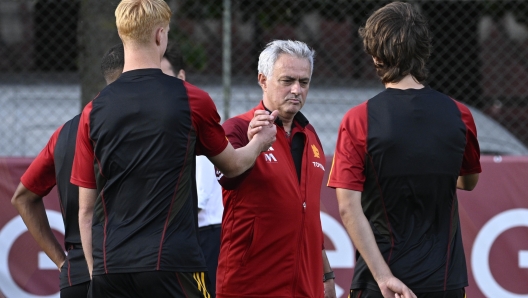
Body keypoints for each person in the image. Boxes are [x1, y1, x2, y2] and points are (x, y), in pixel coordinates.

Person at [70, 0, 277, 297]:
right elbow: (231, 165)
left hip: (110, 267)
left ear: (122, 34)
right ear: (160, 35)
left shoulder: (93, 110)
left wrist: (97, 273)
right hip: (172, 263)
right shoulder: (191, 99)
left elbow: (86, 211)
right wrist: (259, 142)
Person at [327, 2, 481, 298]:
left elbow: (348, 206)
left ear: (375, 56)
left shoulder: (359, 119)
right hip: (445, 283)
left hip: (381, 285)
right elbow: (468, 180)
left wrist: (384, 277)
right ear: (423, 51)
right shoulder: (459, 114)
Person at [216, 40, 337, 298]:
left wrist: (326, 275)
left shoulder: (311, 135)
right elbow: (228, 177)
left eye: (304, 82)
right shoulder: (237, 129)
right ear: (263, 79)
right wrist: (255, 144)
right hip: (250, 286)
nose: (296, 89)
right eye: (287, 80)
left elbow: (309, 215)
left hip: (306, 287)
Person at [10, 43, 125, 298]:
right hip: (125, 269)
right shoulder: (139, 126)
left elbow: (22, 197)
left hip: (77, 275)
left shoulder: (65, 133)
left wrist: (64, 263)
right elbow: (22, 198)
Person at [161, 41, 224, 296]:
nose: (159, 85)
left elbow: (195, 199)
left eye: (164, 76)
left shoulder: (193, 113)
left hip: (204, 235)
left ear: (181, 76)